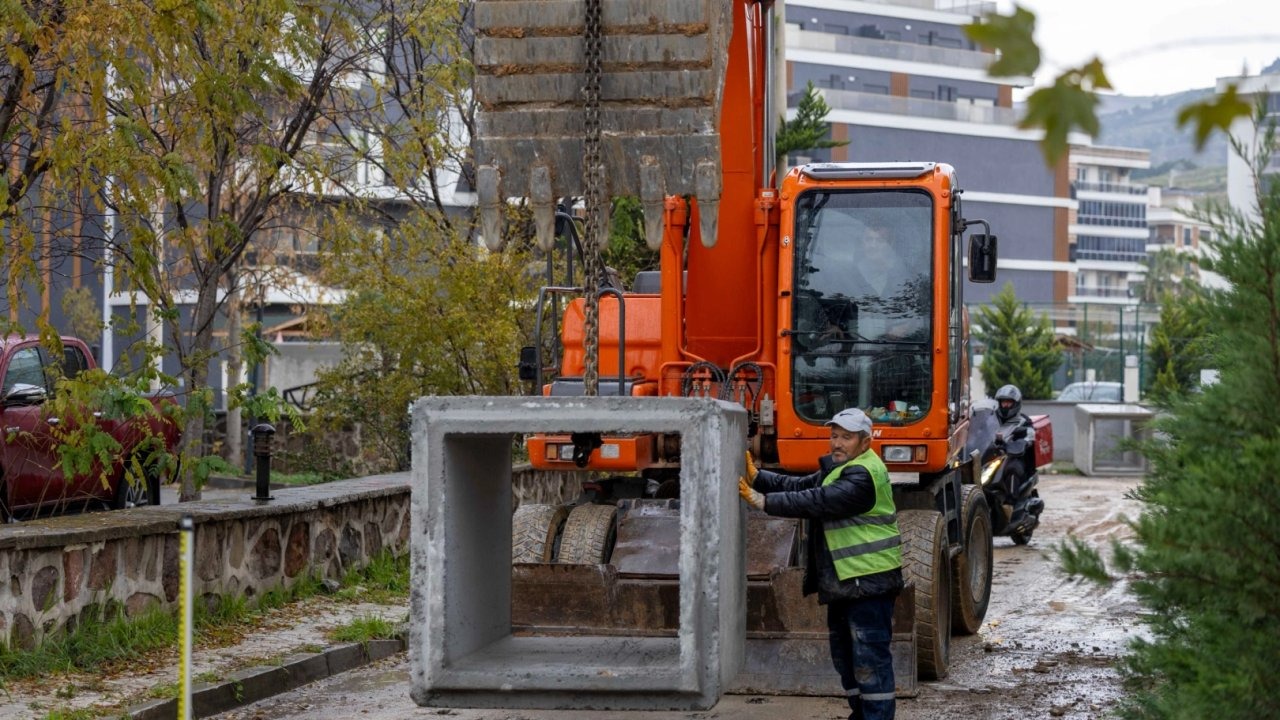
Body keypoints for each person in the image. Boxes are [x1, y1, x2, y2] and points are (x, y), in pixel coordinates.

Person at [738, 407, 903, 720]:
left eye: (847, 437)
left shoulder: (863, 475)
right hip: (848, 583)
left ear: (865, 442)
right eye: (835, 435)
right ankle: (862, 714)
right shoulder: (842, 468)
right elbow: (804, 487)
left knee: (870, 661)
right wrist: (761, 478)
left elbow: (818, 500)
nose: (837, 443)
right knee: (847, 659)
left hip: (868, 583)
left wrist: (764, 502)